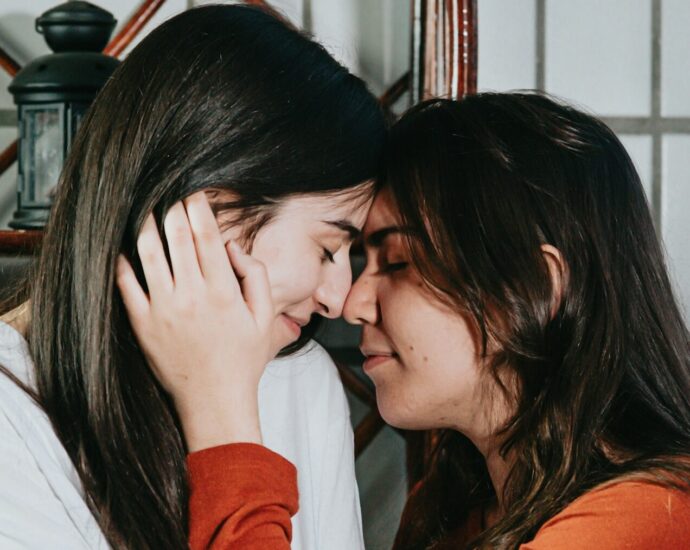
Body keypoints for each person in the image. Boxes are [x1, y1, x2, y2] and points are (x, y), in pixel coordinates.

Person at [150, 92, 690, 549]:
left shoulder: (647, 521)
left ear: (536, 284)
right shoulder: (450, 510)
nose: (352, 304)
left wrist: (220, 418)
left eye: (400, 262)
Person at [0, 4, 385, 549]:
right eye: (328, 248)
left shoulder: (300, 378)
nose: (339, 298)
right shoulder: (9, 415)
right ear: (206, 212)